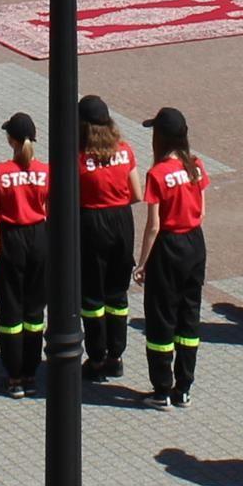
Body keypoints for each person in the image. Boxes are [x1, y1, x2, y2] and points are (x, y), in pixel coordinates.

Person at [137, 109, 209, 408]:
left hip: (167, 246)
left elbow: (153, 225)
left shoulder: (157, 174)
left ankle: (161, 389)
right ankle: (184, 387)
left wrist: (142, 263)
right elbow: (202, 211)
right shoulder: (196, 165)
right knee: (189, 314)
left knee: (161, 317)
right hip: (194, 242)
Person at [0, 114, 54, 396]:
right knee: (35, 309)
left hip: (9, 239)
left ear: (11, 139)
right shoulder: (45, 171)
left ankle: (13, 377)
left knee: (11, 308)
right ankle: (30, 373)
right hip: (39, 238)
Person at [74, 94, 140, 386]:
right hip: (122, 222)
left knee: (91, 295)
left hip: (91, 224)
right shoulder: (125, 151)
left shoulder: (78, 158)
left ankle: (96, 356)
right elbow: (137, 194)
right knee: (117, 293)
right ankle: (116, 355)